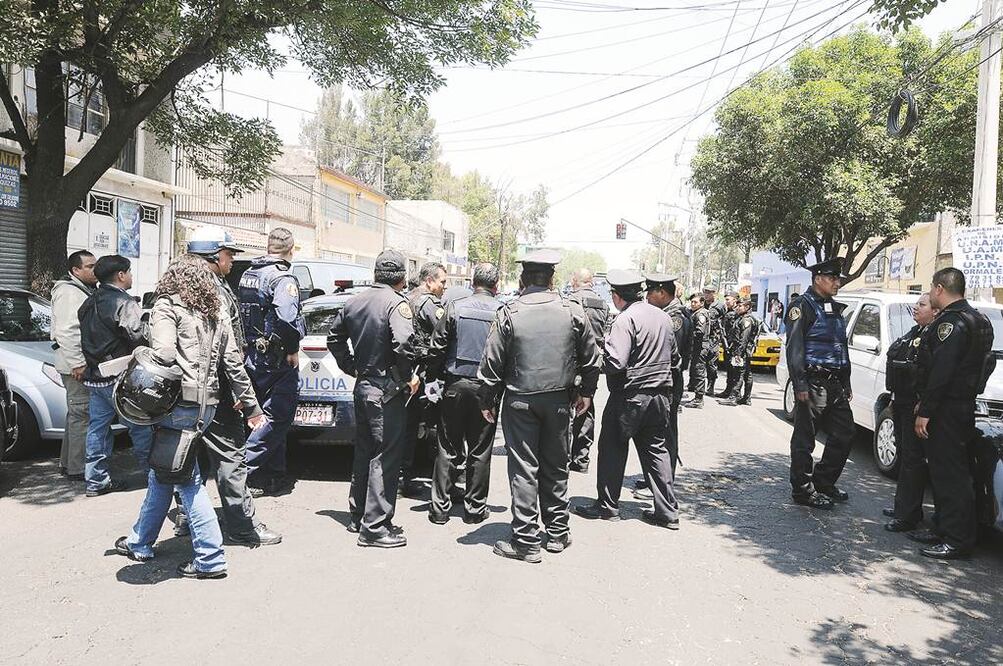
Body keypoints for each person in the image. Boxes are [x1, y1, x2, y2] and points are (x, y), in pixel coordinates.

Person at [114, 254, 266, 579]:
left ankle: (210, 559)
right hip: (207, 407)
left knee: (186, 482)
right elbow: (234, 364)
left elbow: (165, 354)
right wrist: (251, 406)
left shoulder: (167, 306)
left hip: (178, 407)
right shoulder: (217, 309)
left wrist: (140, 353)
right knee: (164, 472)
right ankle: (139, 542)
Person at [478, 250, 600, 563]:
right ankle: (558, 533)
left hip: (520, 401)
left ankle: (525, 540)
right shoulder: (571, 310)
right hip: (560, 400)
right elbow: (591, 356)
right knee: (556, 465)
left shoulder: (510, 311)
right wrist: (586, 391)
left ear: (522, 279)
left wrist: (487, 399)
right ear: (552, 279)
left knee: (523, 469)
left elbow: (491, 362)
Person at [187, 228, 282, 546]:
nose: (231, 261)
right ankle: (242, 527)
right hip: (219, 389)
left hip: (188, 392)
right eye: (228, 255)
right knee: (231, 460)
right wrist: (245, 396)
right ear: (214, 256)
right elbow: (227, 351)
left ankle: (192, 520)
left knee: (190, 461)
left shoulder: (178, 287)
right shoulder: (213, 291)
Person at [327, 249, 419, 548]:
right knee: (385, 456)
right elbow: (404, 343)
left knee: (365, 453)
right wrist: (406, 377)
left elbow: (334, 337)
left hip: (364, 385)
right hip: (385, 391)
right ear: (402, 277)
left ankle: (360, 515)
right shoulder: (396, 303)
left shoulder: (354, 301)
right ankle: (376, 527)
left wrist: (351, 366)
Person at [575, 270, 679, 529]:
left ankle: (608, 506)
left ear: (616, 296)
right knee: (657, 452)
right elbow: (675, 358)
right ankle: (667, 511)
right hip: (660, 397)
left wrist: (595, 357)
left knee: (611, 448)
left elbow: (616, 361)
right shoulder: (663, 317)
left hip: (629, 397)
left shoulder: (625, 319)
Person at [911, 268, 995, 559]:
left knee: (951, 475)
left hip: (947, 408)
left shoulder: (951, 323)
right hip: (960, 405)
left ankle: (957, 540)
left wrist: (926, 410)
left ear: (938, 289)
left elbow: (941, 372)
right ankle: (943, 528)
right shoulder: (979, 319)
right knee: (943, 471)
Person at [424, 262, 502, 525]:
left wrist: (432, 378)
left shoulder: (455, 307)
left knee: (447, 447)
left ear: (472, 283)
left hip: (455, 386)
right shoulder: (502, 312)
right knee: (480, 450)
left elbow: (437, 347)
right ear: (496, 286)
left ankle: (439, 510)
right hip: (487, 390)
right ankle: (474, 510)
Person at [238, 227, 306, 497]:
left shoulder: (249, 273)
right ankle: (242, 471)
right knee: (278, 417)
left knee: (259, 417)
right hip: (276, 357)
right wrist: (291, 348)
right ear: (291, 249)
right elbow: (287, 317)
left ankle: (272, 476)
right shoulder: (282, 277)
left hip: (254, 355)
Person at [79, 254, 153, 497]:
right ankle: (155, 478)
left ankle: (96, 480)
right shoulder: (124, 303)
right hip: (120, 377)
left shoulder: (89, 301)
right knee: (140, 427)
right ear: (121, 275)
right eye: (129, 272)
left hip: (95, 376)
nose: (131, 276)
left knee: (97, 429)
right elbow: (138, 337)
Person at [784, 258, 855, 510]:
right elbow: (794, 348)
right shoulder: (802, 306)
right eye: (833, 278)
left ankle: (824, 481)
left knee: (845, 434)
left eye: (838, 278)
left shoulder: (834, 308)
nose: (837, 282)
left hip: (835, 385)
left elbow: (840, 347)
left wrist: (846, 381)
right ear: (818, 279)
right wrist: (800, 384)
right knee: (805, 438)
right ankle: (803, 490)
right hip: (813, 383)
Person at [883, 293, 938, 537]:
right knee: (906, 459)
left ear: (935, 311)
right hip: (903, 402)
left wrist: (922, 403)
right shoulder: (916, 333)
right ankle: (904, 509)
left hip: (916, 407)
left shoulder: (934, 335)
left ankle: (907, 516)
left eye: (922, 305)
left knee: (913, 462)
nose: (916, 308)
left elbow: (930, 375)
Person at [402, 261, 448, 498]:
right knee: (433, 425)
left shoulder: (406, 297)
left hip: (407, 372)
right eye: (442, 282)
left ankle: (403, 477)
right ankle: (434, 478)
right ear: (429, 280)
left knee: (407, 427)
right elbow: (444, 334)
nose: (443, 287)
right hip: (425, 372)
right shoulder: (429, 303)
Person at [51, 250, 97, 480]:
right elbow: (67, 331)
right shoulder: (69, 292)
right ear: (75, 270)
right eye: (89, 266)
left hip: (74, 363)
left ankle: (69, 464)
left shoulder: (81, 289)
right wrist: (78, 363)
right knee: (82, 415)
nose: (94, 270)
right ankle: (78, 468)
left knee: (76, 415)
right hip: (74, 365)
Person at [566, 267, 611, 474]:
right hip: (594, 361)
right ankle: (581, 457)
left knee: (566, 406)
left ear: (576, 281)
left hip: (572, 359)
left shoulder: (570, 301)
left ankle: (563, 455)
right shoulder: (603, 304)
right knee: (586, 405)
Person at [644, 272, 690, 473]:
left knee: (667, 432)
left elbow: (673, 357)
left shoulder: (675, 318)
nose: (647, 298)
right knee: (658, 432)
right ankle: (657, 476)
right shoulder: (666, 315)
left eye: (650, 293)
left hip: (670, 383)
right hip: (665, 382)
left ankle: (666, 478)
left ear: (662, 292)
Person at [719, 297, 758, 406]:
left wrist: (738, 354)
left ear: (747, 307)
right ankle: (746, 398)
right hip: (742, 350)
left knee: (738, 374)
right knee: (746, 374)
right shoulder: (742, 318)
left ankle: (733, 397)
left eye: (740, 306)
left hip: (742, 351)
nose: (737, 308)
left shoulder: (746, 320)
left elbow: (743, 339)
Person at [684, 294, 712, 409]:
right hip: (697, 347)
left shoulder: (701, 314)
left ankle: (699, 399)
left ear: (701, 303)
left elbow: (700, 332)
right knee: (696, 370)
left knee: (699, 370)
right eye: (692, 302)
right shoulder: (695, 312)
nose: (693, 304)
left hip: (700, 347)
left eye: (695, 302)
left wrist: (688, 336)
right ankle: (697, 394)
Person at [703, 287, 726, 396]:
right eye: (705, 292)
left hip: (714, 338)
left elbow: (725, 320)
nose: (706, 295)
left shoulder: (719, 305)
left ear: (714, 294)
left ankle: (711, 385)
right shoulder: (701, 304)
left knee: (711, 363)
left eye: (708, 293)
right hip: (702, 337)